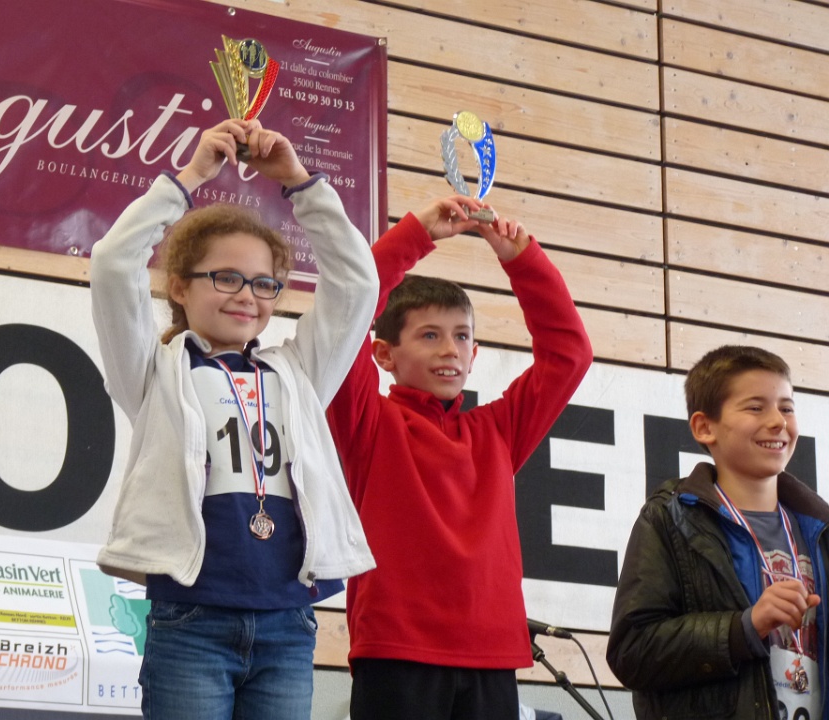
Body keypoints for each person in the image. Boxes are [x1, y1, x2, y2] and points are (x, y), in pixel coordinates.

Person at [89, 118, 378, 720]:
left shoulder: (298, 371)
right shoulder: (155, 371)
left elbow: (357, 282)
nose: (247, 295)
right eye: (226, 278)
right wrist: (191, 176)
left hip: (287, 622)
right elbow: (114, 263)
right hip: (191, 620)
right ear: (179, 286)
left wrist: (299, 183)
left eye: (264, 283)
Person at [325, 196, 593, 719]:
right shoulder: (368, 422)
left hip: (492, 655)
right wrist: (416, 234)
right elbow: (344, 313)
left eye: (461, 336)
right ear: (384, 354)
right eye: (430, 335)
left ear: (475, 354)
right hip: (396, 651)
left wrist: (522, 259)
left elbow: (570, 354)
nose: (450, 349)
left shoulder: (497, 430)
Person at [607, 345, 829, 720]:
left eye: (787, 408)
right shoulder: (671, 518)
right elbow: (632, 651)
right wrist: (744, 628)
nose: (778, 421)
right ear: (704, 427)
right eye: (756, 408)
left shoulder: (819, 530)